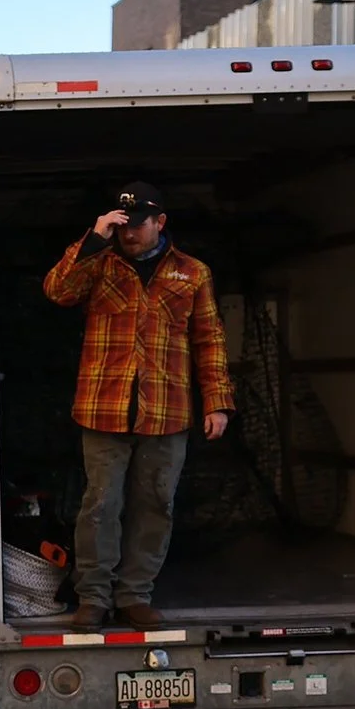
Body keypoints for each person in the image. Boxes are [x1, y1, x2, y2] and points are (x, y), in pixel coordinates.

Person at [41, 182, 233, 629]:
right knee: (100, 504)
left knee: (156, 504)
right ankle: (94, 597)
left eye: (139, 224)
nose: (130, 234)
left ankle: (134, 595)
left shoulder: (192, 272)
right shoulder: (99, 262)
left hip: (167, 411)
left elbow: (210, 339)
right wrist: (93, 237)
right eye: (123, 225)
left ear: (160, 222)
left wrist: (218, 403)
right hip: (103, 408)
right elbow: (58, 291)